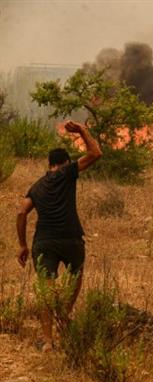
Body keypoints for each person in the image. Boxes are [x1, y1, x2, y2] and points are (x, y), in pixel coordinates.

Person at [16, 121, 102, 351]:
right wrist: (83, 130)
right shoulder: (68, 172)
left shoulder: (36, 186)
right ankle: (65, 312)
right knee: (76, 275)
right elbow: (96, 153)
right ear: (64, 163)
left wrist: (23, 245)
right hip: (71, 239)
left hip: (43, 242)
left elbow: (21, 212)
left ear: (49, 164)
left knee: (46, 289)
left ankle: (47, 341)